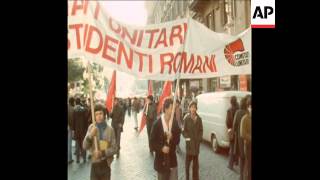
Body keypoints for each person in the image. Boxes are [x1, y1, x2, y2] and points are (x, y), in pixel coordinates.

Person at [83, 104, 117, 180]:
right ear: (94, 116)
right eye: (96, 114)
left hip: (106, 165)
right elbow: (84, 146)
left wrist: (102, 153)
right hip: (94, 165)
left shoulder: (110, 130)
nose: (98, 116)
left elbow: (115, 148)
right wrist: (90, 135)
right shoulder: (91, 128)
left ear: (104, 114)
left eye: (100, 113)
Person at [150, 97, 181, 180]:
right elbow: (151, 143)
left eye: (174, 108)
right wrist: (161, 148)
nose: (173, 111)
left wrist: (172, 137)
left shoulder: (174, 123)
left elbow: (178, 141)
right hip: (161, 162)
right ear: (166, 109)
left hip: (172, 161)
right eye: (171, 108)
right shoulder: (157, 124)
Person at [182, 100, 203, 180]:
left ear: (196, 108)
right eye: (192, 107)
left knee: (195, 165)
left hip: (196, 145)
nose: (193, 109)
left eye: (194, 107)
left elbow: (201, 130)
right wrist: (188, 139)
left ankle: (195, 178)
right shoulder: (186, 119)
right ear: (189, 108)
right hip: (189, 146)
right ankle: (187, 178)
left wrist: (199, 139)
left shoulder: (199, 119)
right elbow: (183, 131)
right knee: (187, 165)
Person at [233, 96, 250, 180]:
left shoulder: (238, 112)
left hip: (240, 139)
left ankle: (241, 177)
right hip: (247, 140)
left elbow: (234, 126)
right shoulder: (247, 113)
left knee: (242, 158)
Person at [73, 97, 89, 163]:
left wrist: (74, 129)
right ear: (80, 102)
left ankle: (77, 159)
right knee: (83, 144)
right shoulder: (84, 110)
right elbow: (86, 121)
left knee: (77, 144)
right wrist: (86, 128)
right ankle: (84, 158)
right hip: (83, 130)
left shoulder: (74, 111)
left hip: (77, 130)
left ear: (75, 102)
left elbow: (73, 121)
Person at [227, 96, 240, 170]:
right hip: (238, 131)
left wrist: (229, 129)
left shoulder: (229, 110)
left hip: (232, 130)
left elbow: (228, 122)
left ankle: (230, 165)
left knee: (231, 148)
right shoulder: (239, 109)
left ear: (231, 102)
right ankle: (236, 162)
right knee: (237, 147)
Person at [240, 96, 251, 180]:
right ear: (248, 107)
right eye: (251, 107)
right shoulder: (245, 119)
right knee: (248, 166)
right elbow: (242, 134)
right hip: (248, 146)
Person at [68, 97, 75, 164]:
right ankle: (69, 159)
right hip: (69, 127)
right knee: (69, 143)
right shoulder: (72, 109)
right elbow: (72, 120)